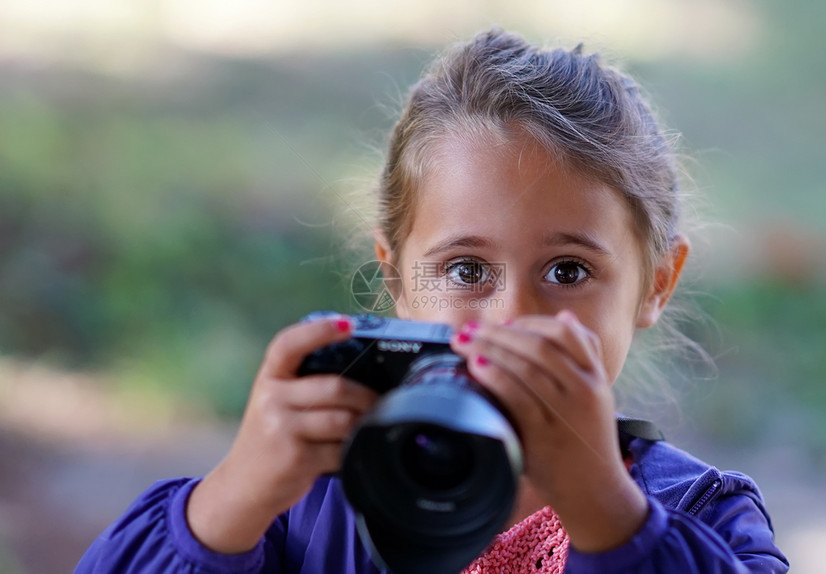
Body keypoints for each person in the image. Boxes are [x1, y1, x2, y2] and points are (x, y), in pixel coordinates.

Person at [75, 29, 789, 573]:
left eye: (568, 271)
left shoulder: (706, 517)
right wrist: (231, 499)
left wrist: (610, 514)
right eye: (467, 269)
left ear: (656, 284)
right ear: (397, 277)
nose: (512, 317)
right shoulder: (310, 499)